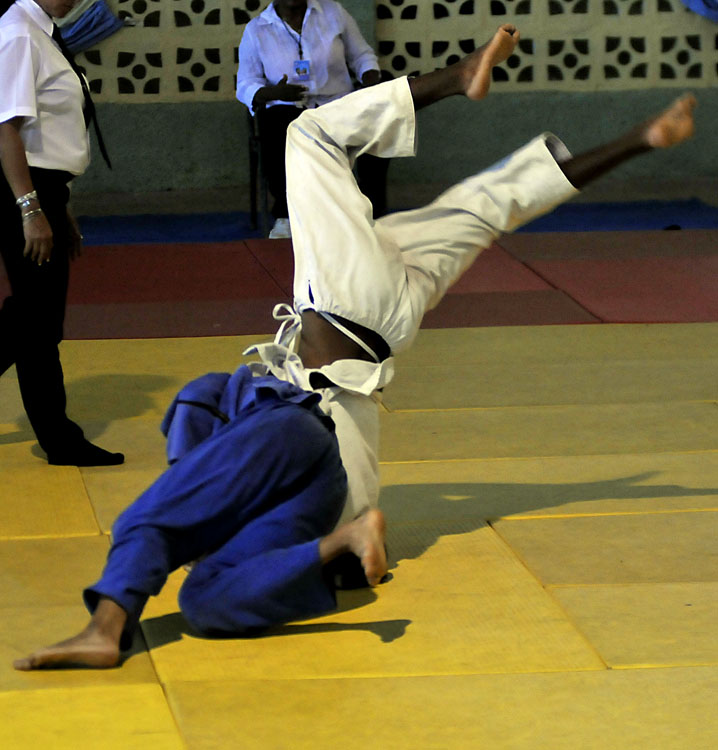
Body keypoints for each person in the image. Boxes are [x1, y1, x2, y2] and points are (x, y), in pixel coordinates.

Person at [13, 24, 696, 670]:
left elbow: (200, 430)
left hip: (357, 345)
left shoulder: (246, 477)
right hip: (343, 339)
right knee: (351, 152)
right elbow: (202, 425)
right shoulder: (255, 498)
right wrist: (327, 537)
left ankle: (621, 130)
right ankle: (114, 623)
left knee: (425, 179)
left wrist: (221, 476)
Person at [0, 0, 123, 466]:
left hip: (41, 188)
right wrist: (30, 208)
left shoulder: (42, 30)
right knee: (36, 321)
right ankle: (60, 439)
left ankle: (59, 437)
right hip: (20, 189)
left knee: (34, 318)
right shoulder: (18, 32)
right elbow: (6, 130)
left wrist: (57, 205)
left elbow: (44, 131)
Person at [236, 0, 390, 238]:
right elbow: (245, 83)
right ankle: (286, 215)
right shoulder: (257, 29)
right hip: (287, 108)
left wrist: (370, 81)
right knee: (276, 126)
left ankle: (371, 210)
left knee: (376, 123)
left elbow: (362, 56)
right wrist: (272, 93)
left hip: (336, 104)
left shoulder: (333, 13)